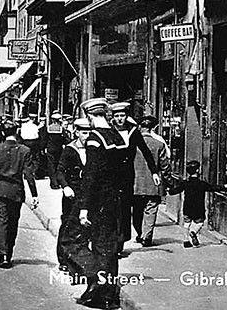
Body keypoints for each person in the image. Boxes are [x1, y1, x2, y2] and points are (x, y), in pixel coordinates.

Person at [75, 98, 134, 309]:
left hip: (98, 202)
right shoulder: (117, 136)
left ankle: (100, 295)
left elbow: (91, 175)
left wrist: (84, 208)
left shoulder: (94, 139)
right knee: (110, 248)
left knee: (99, 248)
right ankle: (110, 295)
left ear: (90, 116)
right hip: (116, 200)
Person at [0, 122, 38, 268]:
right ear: (16, 132)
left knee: (0, 223)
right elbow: (28, 174)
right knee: (13, 223)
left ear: (2, 133)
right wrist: (34, 195)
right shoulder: (25, 150)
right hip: (16, 192)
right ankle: (9, 253)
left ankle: (2, 254)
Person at [109, 101, 159, 256]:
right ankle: (112, 241)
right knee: (112, 209)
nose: (119, 119)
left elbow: (145, 151)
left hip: (127, 176)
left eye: (122, 115)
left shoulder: (133, 132)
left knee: (124, 209)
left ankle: (120, 242)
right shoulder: (108, 131)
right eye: (116, 116)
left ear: (126, 116)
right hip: (110, 176)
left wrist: (154, 172)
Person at [55, 117, 92, 279]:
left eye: (90, 132)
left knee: (85, 226)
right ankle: (63, 258)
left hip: (87, 193)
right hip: (72, 193)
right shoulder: (70, 149)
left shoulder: (94, 148)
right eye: (84, 132)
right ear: (77, 132)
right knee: (68, 225)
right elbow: (60, 171)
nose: (87, 135)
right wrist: (65, 186)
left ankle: (79, 260)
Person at [132, 117, 171, 247]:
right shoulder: (159, 144)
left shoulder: (133, 144)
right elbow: (165, 165)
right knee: (151, 209)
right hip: (153, 184)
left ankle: (139, 234)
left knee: (137, 210)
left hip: (135, 183)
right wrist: (168, 181)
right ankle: (146, 236)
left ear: (140, 127)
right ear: (153, 128)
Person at [170, 160, 227, 247]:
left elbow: (175, 190)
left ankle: (186, 241)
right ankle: (193, 232)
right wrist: (224, 187)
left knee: (186, 223)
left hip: (187, 207)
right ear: (197, 170)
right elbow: (212, 188)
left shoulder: (185, 183)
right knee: (199, 222)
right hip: (198, 208)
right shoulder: (201, 184)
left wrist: (169, 190)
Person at [44, 111, 66, 189]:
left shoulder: (48, 128)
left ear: (52, 120)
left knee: (51, 166)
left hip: (50, 148)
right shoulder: (61, 128)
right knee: (57, 165)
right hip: (59, 149)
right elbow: (64, 138)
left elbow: (45, 139)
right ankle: (58, 181)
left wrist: (44, 148)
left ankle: (54, 183)